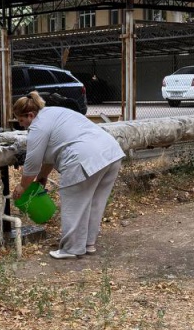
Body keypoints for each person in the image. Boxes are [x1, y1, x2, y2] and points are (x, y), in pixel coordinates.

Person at [12, 91, 124, 260]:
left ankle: (71, 248)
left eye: (22, 121)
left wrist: (22, 186)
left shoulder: (37, 126)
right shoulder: (55, 112)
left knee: (73, 204)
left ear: (30, 115)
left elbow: (32, 163)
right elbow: (53, 151)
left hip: (83, 157)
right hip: (110, 153)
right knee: (95, 203)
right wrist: (42, 177)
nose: (23, 126)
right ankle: (88, 244)